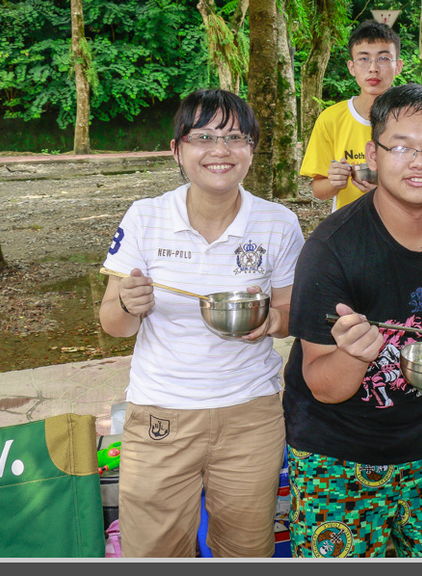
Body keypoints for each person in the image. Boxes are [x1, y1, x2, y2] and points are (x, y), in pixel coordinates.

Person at [283, 83, 422, 558]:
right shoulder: (331, 248)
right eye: (401, 147)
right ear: (373, 155)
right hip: (334, 454)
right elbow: (322, 384)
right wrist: (353, 354)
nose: (419, 162)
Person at [98, 89, 304, 558]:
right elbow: (113, 324)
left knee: (246, 549)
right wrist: (128, 304)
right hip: (160, 414)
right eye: (204, 137)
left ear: (252, 148)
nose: (220, 150)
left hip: (250, 415)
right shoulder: (146, 217)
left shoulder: (278, 223)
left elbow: (292, 314)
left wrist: (270, 319)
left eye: (235, 137)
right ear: (177, 150)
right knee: (154, 551)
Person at [299, 19, 404, 212]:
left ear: (398, 66)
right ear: (351, 67)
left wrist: (386, 192)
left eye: (383, 58)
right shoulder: (331, 119)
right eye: (364, 59)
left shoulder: (411, 119)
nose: (373, 68)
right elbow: (319, 190)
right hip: (348, 223)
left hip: (401, 222)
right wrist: (334, 181)